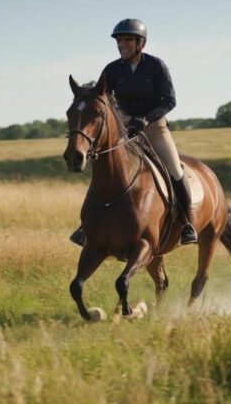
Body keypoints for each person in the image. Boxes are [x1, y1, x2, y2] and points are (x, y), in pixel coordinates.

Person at [70, 18, 198, 246]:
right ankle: (87, 225)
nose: (122, 44)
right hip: (124, 130)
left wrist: (147, 118)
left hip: (155, 127)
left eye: (128, 39)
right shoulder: (111, 70)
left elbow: (170, 100)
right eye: (119, 40)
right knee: (106, 168)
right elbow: (100, 100)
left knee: (174, 169)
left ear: (141, 43)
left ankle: (188, 223)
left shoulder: (156, 66)